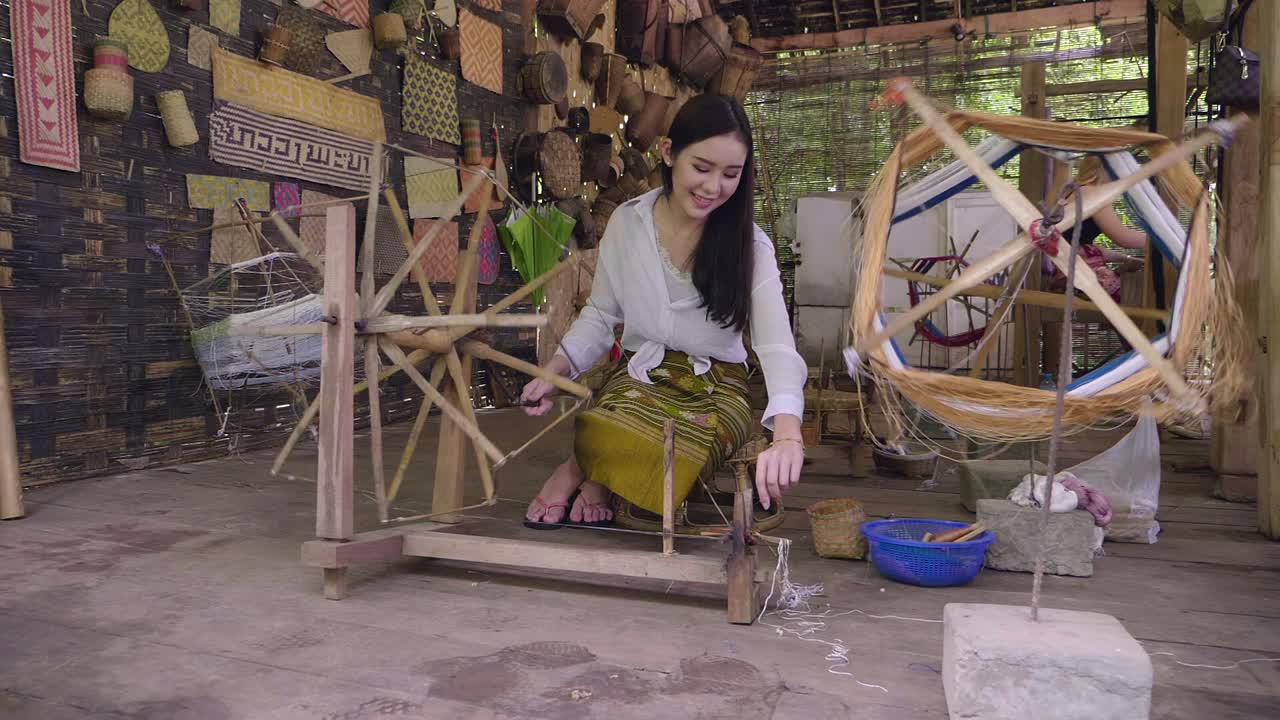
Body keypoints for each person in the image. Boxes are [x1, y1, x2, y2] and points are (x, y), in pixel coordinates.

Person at [519, 94, 808, 529]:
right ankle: (586, 469)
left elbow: (777, 347)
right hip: (641, 375)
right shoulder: (627, 223)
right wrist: (555, 372)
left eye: (731, 175)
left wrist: (787, 433)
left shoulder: (751, 245)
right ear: (670, 153)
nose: (713, 187)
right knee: (599, 423)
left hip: (716, 386)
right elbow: (601, 314)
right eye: (702, 168)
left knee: (681, 449)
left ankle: (588, 471)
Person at [1045, 157, 1146, 300]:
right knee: (1140, 293)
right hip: (1076, 276)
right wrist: (1158, 241)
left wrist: (1127, 259)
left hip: (1066, 271)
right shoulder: (1092, 194)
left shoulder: (1075, 191)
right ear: (1105, 169)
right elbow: (1125, 239)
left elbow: (1085, 246)